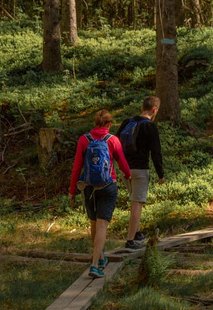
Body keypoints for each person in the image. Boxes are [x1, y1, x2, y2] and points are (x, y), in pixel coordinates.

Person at [69, 110, 131, 278]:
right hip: (108, 185)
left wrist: (72, 191)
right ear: (109, 124)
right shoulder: (113, 140)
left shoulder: (84, 139)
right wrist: (128, 175)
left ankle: (101, 257)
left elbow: (77, 167)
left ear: (95, 123)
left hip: (88, 187)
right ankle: (95, 265)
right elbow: (122, 163)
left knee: (93, 223)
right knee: (102, 225)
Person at [116, 95, 165, 250]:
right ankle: (130, 241)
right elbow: (156, 152)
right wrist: (160, 174)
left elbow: (115, 144)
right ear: (154, 110)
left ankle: (137, 233)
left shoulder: (127, 122)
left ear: (141, 108)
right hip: (140, 170)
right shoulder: (150, 127)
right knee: (137, 204)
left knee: (134, 201)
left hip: (124, 170)